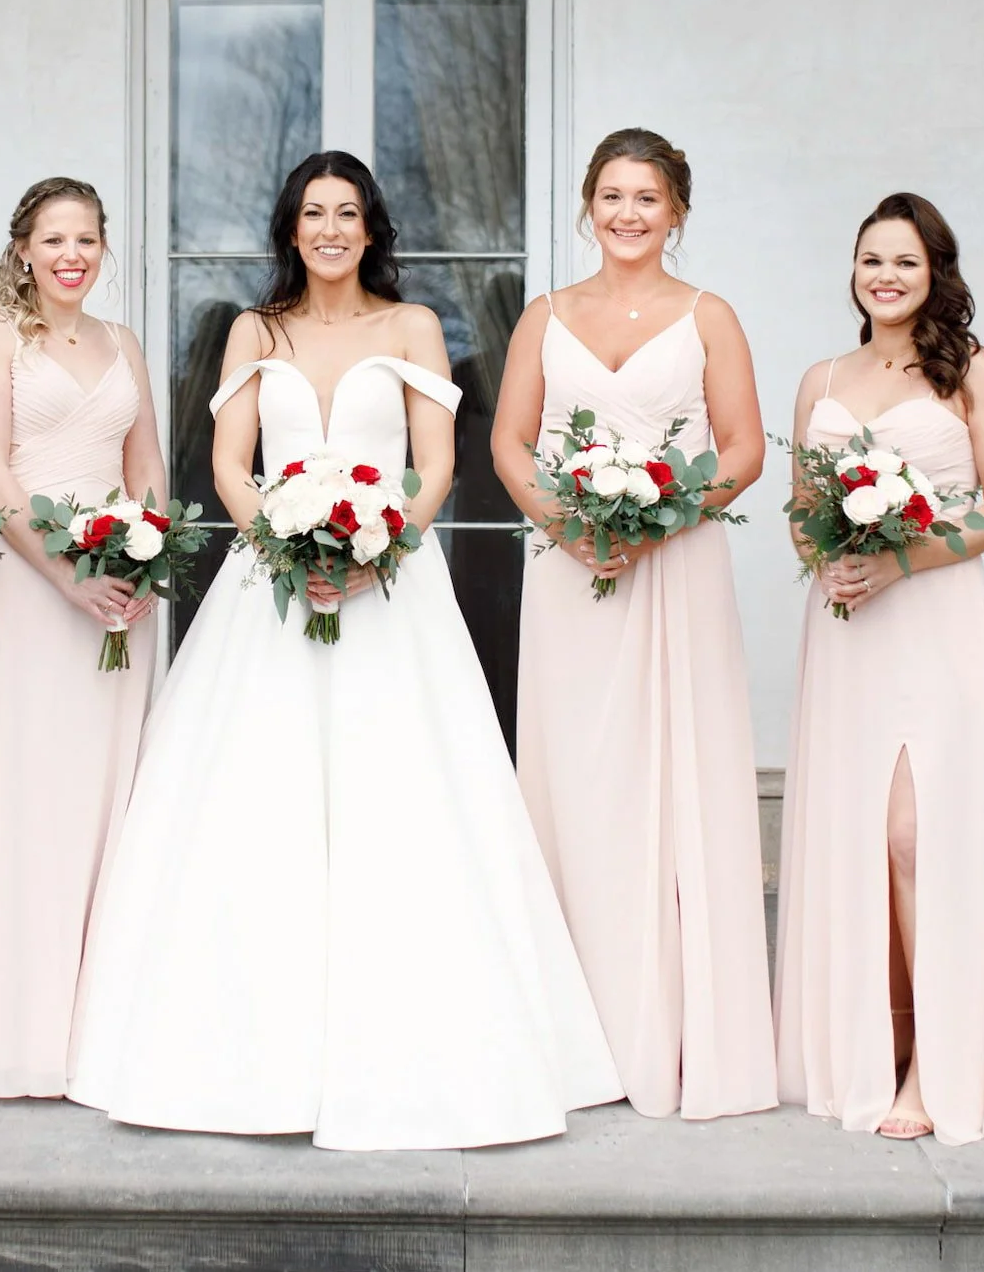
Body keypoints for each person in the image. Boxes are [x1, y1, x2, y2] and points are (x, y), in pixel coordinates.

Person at [68, 152, 622, 1150]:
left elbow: (439, 461)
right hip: (269, 591)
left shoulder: (410, 326)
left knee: (401, 795)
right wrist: (282, 537)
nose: (331, 228)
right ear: (290, 226)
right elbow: (231, 463)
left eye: (349, 213)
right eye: (314, 212)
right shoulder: (253, 328)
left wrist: (384, 541)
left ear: (372, 230)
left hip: (389, 587)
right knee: (254, 797)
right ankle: (238, 1053)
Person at [493, 127, 776, 1120]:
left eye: (646, 198)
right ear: (586, 204)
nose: (626, 213)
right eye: (610, 195)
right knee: (577, 779)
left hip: (676, 566)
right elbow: (510, 440)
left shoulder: (708, 316)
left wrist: (664, 514)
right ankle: (573, 1035)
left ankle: (674, 1029)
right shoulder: (545, 315)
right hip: (569, 570)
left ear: (677, 212)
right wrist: (568, 523)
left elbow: (741, 449)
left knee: (669, 778)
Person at [774, 193, 984, 1143]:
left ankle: (936, 1062)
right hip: (848, 627)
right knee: (859, 839)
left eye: (906, 263)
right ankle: (869, 1047)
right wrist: (826, 553)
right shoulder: (822, 378)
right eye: (871, 259)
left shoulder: (975, 374)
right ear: (853, 269)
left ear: (936, 274)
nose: (885, 275)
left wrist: (897, 558)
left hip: (934, 618)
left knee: (918, 836)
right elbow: (804, 505)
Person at [0, 178, 164, 1098]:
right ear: (24, 250)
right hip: (28, 581)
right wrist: (64, 571)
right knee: (31, 786)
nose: (70, 253)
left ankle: (103, 1020)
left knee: (110, 790)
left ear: (103, 248)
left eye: (85, 237)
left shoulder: (124, 343)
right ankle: (21, 1030)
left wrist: (144, 554)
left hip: (116, 583)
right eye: (53, 238)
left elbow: (145, 459)